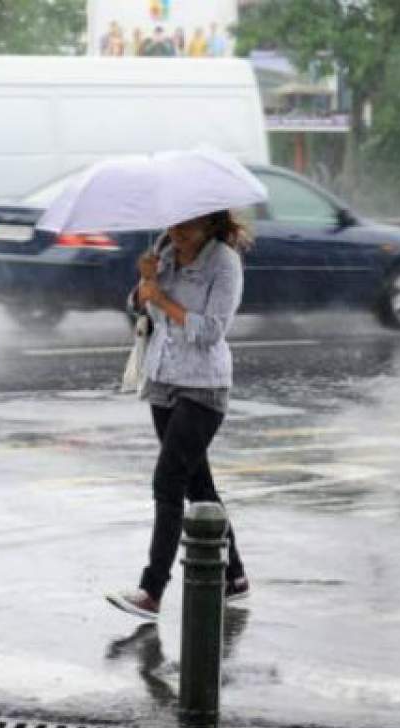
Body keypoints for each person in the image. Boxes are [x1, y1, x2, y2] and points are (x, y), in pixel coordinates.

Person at [106, 211, 251, 620]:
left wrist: (163, 300)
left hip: (203, 387)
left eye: (186, 228)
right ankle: (235, 575)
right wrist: (144, 283)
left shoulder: (224, 262)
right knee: (197, 485)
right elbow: (138, 308)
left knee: (168, 480)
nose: (176, 235)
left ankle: (151, 591)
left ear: (209, 225)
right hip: (163, 380)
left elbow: (210, 331)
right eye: (173, 226)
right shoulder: (165, 251)